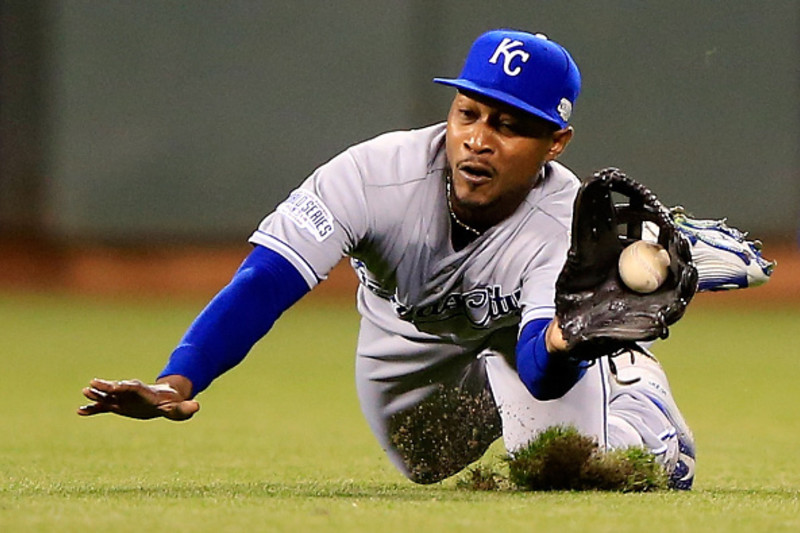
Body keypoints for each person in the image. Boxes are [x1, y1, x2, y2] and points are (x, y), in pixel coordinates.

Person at [78, 29, 773, 489]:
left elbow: (538, 364)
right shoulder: (372, 175)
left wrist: (568, 339)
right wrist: (178, 377)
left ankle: (636, 401)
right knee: (426, 460)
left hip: (517, 341)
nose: (479, 138)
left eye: (508, 125)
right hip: (406, 338)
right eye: (469, 113)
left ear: (556, 142)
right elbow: (264, 282)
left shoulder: (563, 222)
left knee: (566, 473)